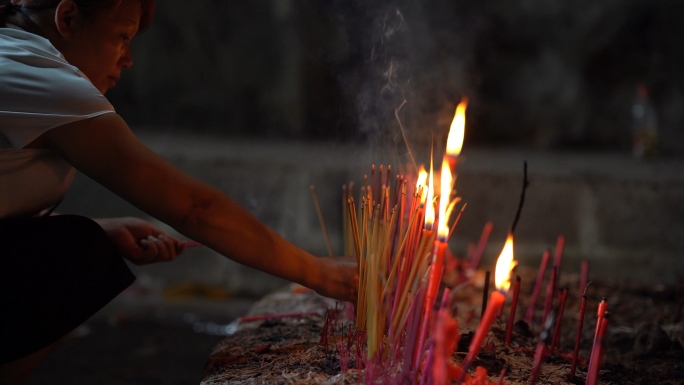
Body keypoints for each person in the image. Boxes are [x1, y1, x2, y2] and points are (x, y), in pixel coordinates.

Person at [0, 0, 358, 383]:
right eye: (121, 37)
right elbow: (193, 210)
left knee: (84, 242)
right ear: (68, 18)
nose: (128, 59)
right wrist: (319, 272)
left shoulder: (16, 52)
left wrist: (102, 228)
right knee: (78, 254)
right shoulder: (42, 78)